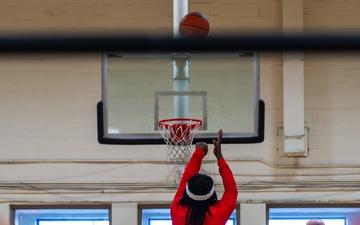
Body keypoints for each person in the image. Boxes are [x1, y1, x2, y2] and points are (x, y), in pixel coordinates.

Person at [171, 129, 238, 225]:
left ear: (187, 191)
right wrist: (219, 156)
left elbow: (186, 177)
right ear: (212, 194)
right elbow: (231, 188)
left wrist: (199, 153)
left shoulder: (177, 210)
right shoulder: (220, 212)